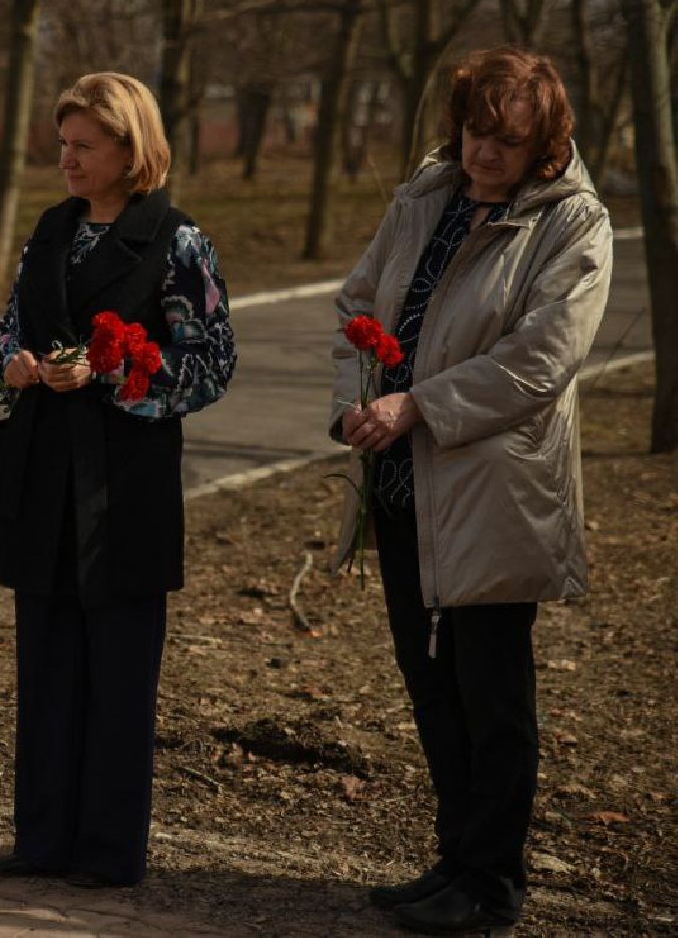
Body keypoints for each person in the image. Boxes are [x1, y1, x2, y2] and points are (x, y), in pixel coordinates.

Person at [332, 47, 612, 934]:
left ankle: (491, 884)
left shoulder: (571, 224)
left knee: (490, 691)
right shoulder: (427, 195)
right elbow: (358, 306)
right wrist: (353, 407)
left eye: (507, 139)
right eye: (474, 131)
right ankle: (453, 860)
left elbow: (541, 360)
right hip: (398, 475)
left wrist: (417, 403)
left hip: (493, 487)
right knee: (428, 681)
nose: (485, 153)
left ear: (543, 143)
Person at [0, 72, 235, 888]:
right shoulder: (50, 231)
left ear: (132, 150)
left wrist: (113, 375)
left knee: (120, 674)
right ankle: (41, 838)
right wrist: (15, 368)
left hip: (124, 487)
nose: (67, 158)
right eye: (62, 143)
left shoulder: (175, 239)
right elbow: (2, 340)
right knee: (45, 667)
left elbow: (212, 364)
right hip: (41, 478)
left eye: (84, 145)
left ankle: (107, 850)